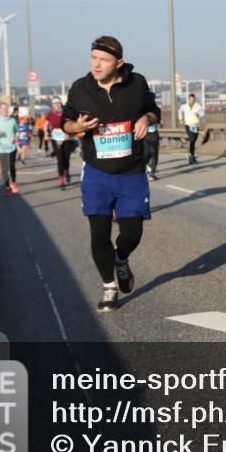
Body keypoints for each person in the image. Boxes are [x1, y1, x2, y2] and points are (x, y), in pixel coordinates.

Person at [62, 36, 160, 313]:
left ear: (119, 63)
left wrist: (145, 118)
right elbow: (65, 123)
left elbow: (154, 109)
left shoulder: (137, 83)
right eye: (93, 57)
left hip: (131, 173)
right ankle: (108, 287)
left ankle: (121, 259)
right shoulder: (80, 89)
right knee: (99, 234)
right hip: (97, 173)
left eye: (103, 60)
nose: (96, 64)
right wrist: (76, 126)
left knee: (132, 233)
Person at [46, 97, 75, 190]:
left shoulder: (66, 112)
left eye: (58, 103)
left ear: (61, 103)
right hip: (55, 139)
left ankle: (67, 171)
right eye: (55, 103)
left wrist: (67, 133)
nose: (57, 105)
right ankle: (61, 182)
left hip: (66, 138)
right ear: (52, 105)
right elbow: (45, 124)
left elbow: (71, 123)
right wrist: (46, 133)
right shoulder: (50, 114)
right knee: (60, 160)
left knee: (66, 159)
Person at [178, 93, 205, 164]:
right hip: (188, 125)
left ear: (194, 99)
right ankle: (190, 155)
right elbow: (180, 111)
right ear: (188, 99)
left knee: (193, 142)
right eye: (190, 99)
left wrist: (198, 114)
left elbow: (203, 114)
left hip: (196, 126)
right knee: (192, 139)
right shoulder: (184, 106)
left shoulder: (198, 106)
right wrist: (180, 119)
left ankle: (191, 155)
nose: (192, 101)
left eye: (193, 99)